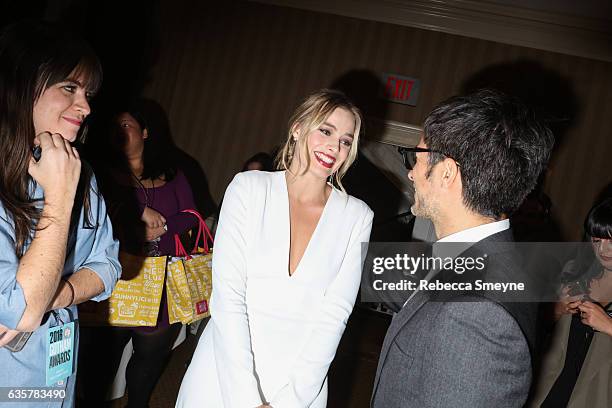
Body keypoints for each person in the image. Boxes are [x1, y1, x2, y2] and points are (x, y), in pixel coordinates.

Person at [176, 89, 373, 407]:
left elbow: (334, 315)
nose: (335, 147)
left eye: (346, 140)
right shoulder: (249, 188)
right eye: (326, 130)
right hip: (226, 368)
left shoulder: (357, 216)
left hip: (299, 382)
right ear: (298, 128)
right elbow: (227, 298)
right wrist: (245, 398)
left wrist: (293, 401)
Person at [372, 89, 554, 407]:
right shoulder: (486, 258)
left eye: (415, 158)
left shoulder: (475, 318)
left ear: (446, 174)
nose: (411, 173)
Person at [0, 20, 121, 406]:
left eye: (88, 93)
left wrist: (53, 296)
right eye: (69, 87)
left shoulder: (77, 171)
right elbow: (19, 310)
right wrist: (59, 198)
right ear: (22, 85)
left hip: (56, 364)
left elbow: (109, 267)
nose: (85, 107)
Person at [78, 103, 198, 407]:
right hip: (115, 278)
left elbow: (192, 215)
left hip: (162, 285)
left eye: (127, 125)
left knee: (147, 363)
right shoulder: (101, 175)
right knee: (99, 366)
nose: (120, 131)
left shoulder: (173, 175)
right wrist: (135, 219)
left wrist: (164, 227)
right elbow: (91, 216)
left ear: (144, 133)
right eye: (115, 126)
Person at [528, 198, 612, 407]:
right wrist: (554, 312)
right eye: (597, 240)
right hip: (549, 391)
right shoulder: (574, 273)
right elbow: (532, 334)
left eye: (611, 240)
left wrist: (609, 326)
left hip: (599, 396)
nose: (603, 250)